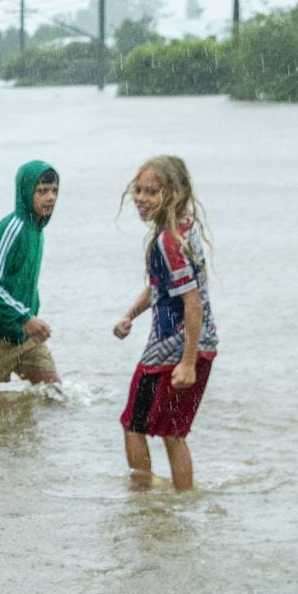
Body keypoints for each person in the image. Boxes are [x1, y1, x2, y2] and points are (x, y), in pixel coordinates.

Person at [113, 156, 217, 491]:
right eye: (138, 190)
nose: (141, 198)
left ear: (174, 193)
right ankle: (182, 507)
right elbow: (161, 285)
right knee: (174, 435)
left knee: (134, 424)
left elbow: (192, 302)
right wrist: (130, 314)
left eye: (151, 191)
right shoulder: (185, 230)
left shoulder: (167, 242)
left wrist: (186, 363)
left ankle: (143, 503)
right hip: (201, 345)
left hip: (171, 352)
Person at [0, 161, 61, 400]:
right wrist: (25, 317)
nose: (50, 198)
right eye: (42, 191)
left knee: (55, 392)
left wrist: (30, 315)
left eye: (54, 191)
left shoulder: (36, 230)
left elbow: (23, 280)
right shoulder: (13, 228)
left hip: (24, 336)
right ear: (26, 192)